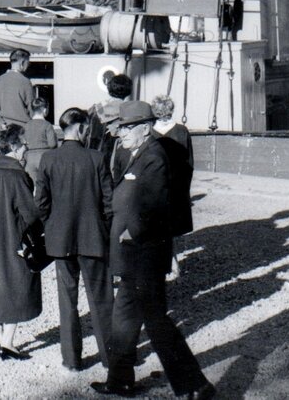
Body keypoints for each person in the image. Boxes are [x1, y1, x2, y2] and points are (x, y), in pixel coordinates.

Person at [93, 101, 214, 399]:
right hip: (133, 253)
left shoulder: (155, 157)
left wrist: (128, 233)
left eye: (126, 127)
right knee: (124, 317)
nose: (120, 132)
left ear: (144, 128)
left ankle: (195, 385)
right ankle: (119, 380)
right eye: (119, 127)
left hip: (144, 252)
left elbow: (155, 207)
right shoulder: (136, 152)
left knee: (156, 321)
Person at [36, 107, 113, 372]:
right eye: (87, 128)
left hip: (61, 241)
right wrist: (103, 228)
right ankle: (109, 358)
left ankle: (72, 359)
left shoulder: (48, 159)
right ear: (80, 128)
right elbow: (109, 203)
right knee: (101, 301)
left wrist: (53, 226)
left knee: (68, 302)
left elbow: (41, 203)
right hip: (93, 239)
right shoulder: (97, 158)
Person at [0, 124, 42, 362]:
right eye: (24, 144)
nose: (26, 148)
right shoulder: (17, 175)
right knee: (17, 283)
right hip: (15, 237)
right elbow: (30, 213)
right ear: (15, 146)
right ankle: (8, 342)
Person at [151, 94, 195, 279]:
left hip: (155, 187)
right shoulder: (181, 131)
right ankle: (172, 262)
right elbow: (189, 163)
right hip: (176, 186)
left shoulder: (149, 133)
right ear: (171, 109)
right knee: (171, 228)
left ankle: (164, 262)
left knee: (156, 227)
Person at [89, 73, 133, 164]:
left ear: (109, 88)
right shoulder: (129, 112)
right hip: (116, 160)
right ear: (128, 90)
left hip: (93, 157)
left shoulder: (96, 109)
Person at [0, 48, 34, 131]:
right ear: (22, 63)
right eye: (28, 63)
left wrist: (1, 123)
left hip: (4, 131)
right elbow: (32, 111)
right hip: (22, 131)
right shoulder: (25, 82)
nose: (28, 65)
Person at [22, 96, 57, 178]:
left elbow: (23, 142)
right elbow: (52, 144)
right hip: (44, 157)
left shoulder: (26, 126)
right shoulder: (47, 125)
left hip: (29, 157)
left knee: (33, 185)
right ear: (44, 110)